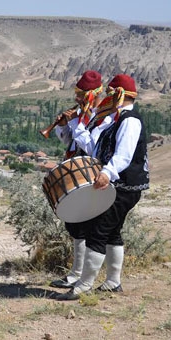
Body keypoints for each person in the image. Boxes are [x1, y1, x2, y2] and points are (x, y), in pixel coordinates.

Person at [55, 74, 149, 300]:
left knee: (98, 230)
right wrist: (74, 126)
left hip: (124, 186)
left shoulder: (129, 120)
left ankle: (84, 285)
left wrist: (107, 173)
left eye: (110, 93)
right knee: (111, 232)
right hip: (119, 184)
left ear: (118, 94)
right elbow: (96, 150)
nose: (106, 97)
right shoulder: (117, 119)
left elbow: (124, 155)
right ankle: (112, 282)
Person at [50, 70, 104, 289]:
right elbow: (68, 142)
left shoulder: (102, 116)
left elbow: (93, 147)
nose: (77, 98)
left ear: (93, 94)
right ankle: (75, 272)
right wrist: (63, 125)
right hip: (75, 171)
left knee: (86, 225)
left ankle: (82, 276)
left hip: (90, 173)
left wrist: (76, 124)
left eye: (81, 94)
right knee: (74, 224)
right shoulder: (81, 114)